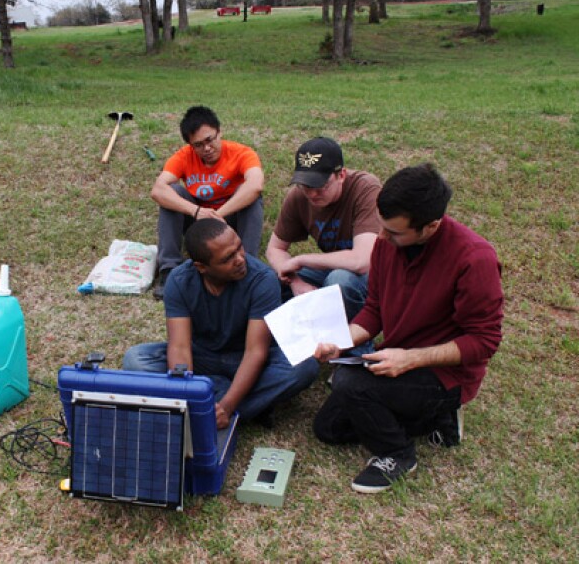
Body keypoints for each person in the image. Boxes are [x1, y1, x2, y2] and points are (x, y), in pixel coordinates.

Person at [313, 163, 503, 494]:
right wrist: (341, 341)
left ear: (431, 226)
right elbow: (374, 310)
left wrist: (411, 359)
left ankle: (398, 453)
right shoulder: (387, 245)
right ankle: (436, 421)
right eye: (382, 227)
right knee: (327, 427)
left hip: (446, 376)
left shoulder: (475, 259)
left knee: (348, 383)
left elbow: (483, 341)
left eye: (395, 232)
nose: (382, 238)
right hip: (397, 360)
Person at [123, 218, 319, 429]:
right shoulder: (180, 280)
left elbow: (256, 352)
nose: (240, 259)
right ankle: (243, 406)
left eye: (239, 248)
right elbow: (179, 347)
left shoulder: (262, 279)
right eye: (228, 258)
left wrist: (227, 406)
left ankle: (220, 409)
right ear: (201, 267)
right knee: (137, 360)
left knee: (304, 366)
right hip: (201, 358)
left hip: (247, 359)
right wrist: (187, 394)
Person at [151, 106, 265, 300]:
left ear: (219, 132)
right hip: (198, 221)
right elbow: (157, 189)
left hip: (230, 220)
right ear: (190, 145)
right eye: (198, 145)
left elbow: (255, 185)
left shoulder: (242, 153)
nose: (206, 148)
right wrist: (196, 212)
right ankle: (169, 270)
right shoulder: (183, 156)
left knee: (251, 197)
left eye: (210, 140)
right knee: (172, 192)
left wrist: (218, 214)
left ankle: (247, 265)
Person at [266, 137, 381, 323]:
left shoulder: (365, 188)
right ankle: (288, 342)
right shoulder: (298, 197)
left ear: (341, 175)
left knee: (339, 281)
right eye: (305, 185)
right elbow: (275, 249)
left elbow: (363, 261)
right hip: (333, 268)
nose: (312, 194)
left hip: (377, 273)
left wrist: (302, 260)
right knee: (267, 280)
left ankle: (354, 344)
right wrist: (295, 281)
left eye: (320, 186)